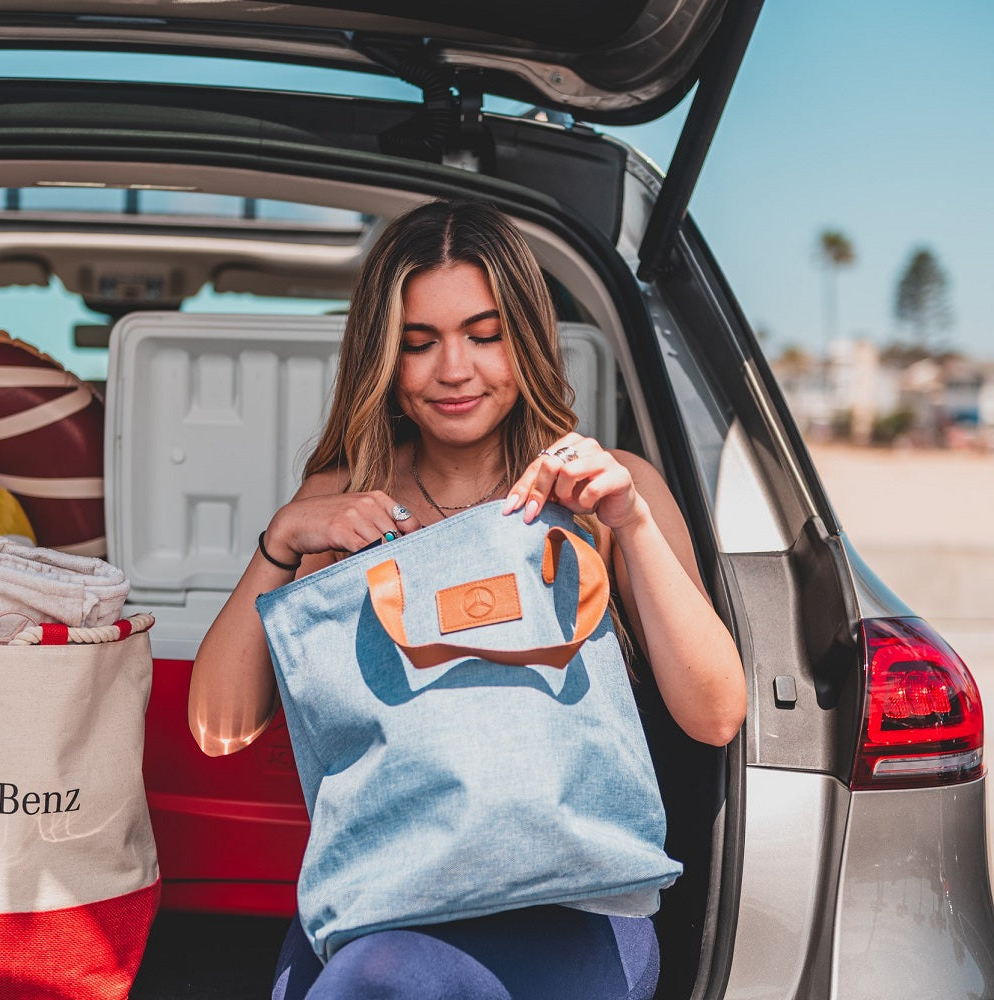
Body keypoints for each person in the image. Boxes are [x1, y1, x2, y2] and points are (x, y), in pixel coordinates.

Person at [188, 199, 746, 999]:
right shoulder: (342, 501)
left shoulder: (605, 489)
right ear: (384, 359)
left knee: (373, 981)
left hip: (573, 898)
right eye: (419, 344)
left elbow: (715, 714)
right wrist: (280, 545)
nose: (454, 370)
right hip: (385, 896)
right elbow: (218, 730)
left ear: (527, 338)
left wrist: (632, 520)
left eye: (485, 336)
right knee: (372, 972)